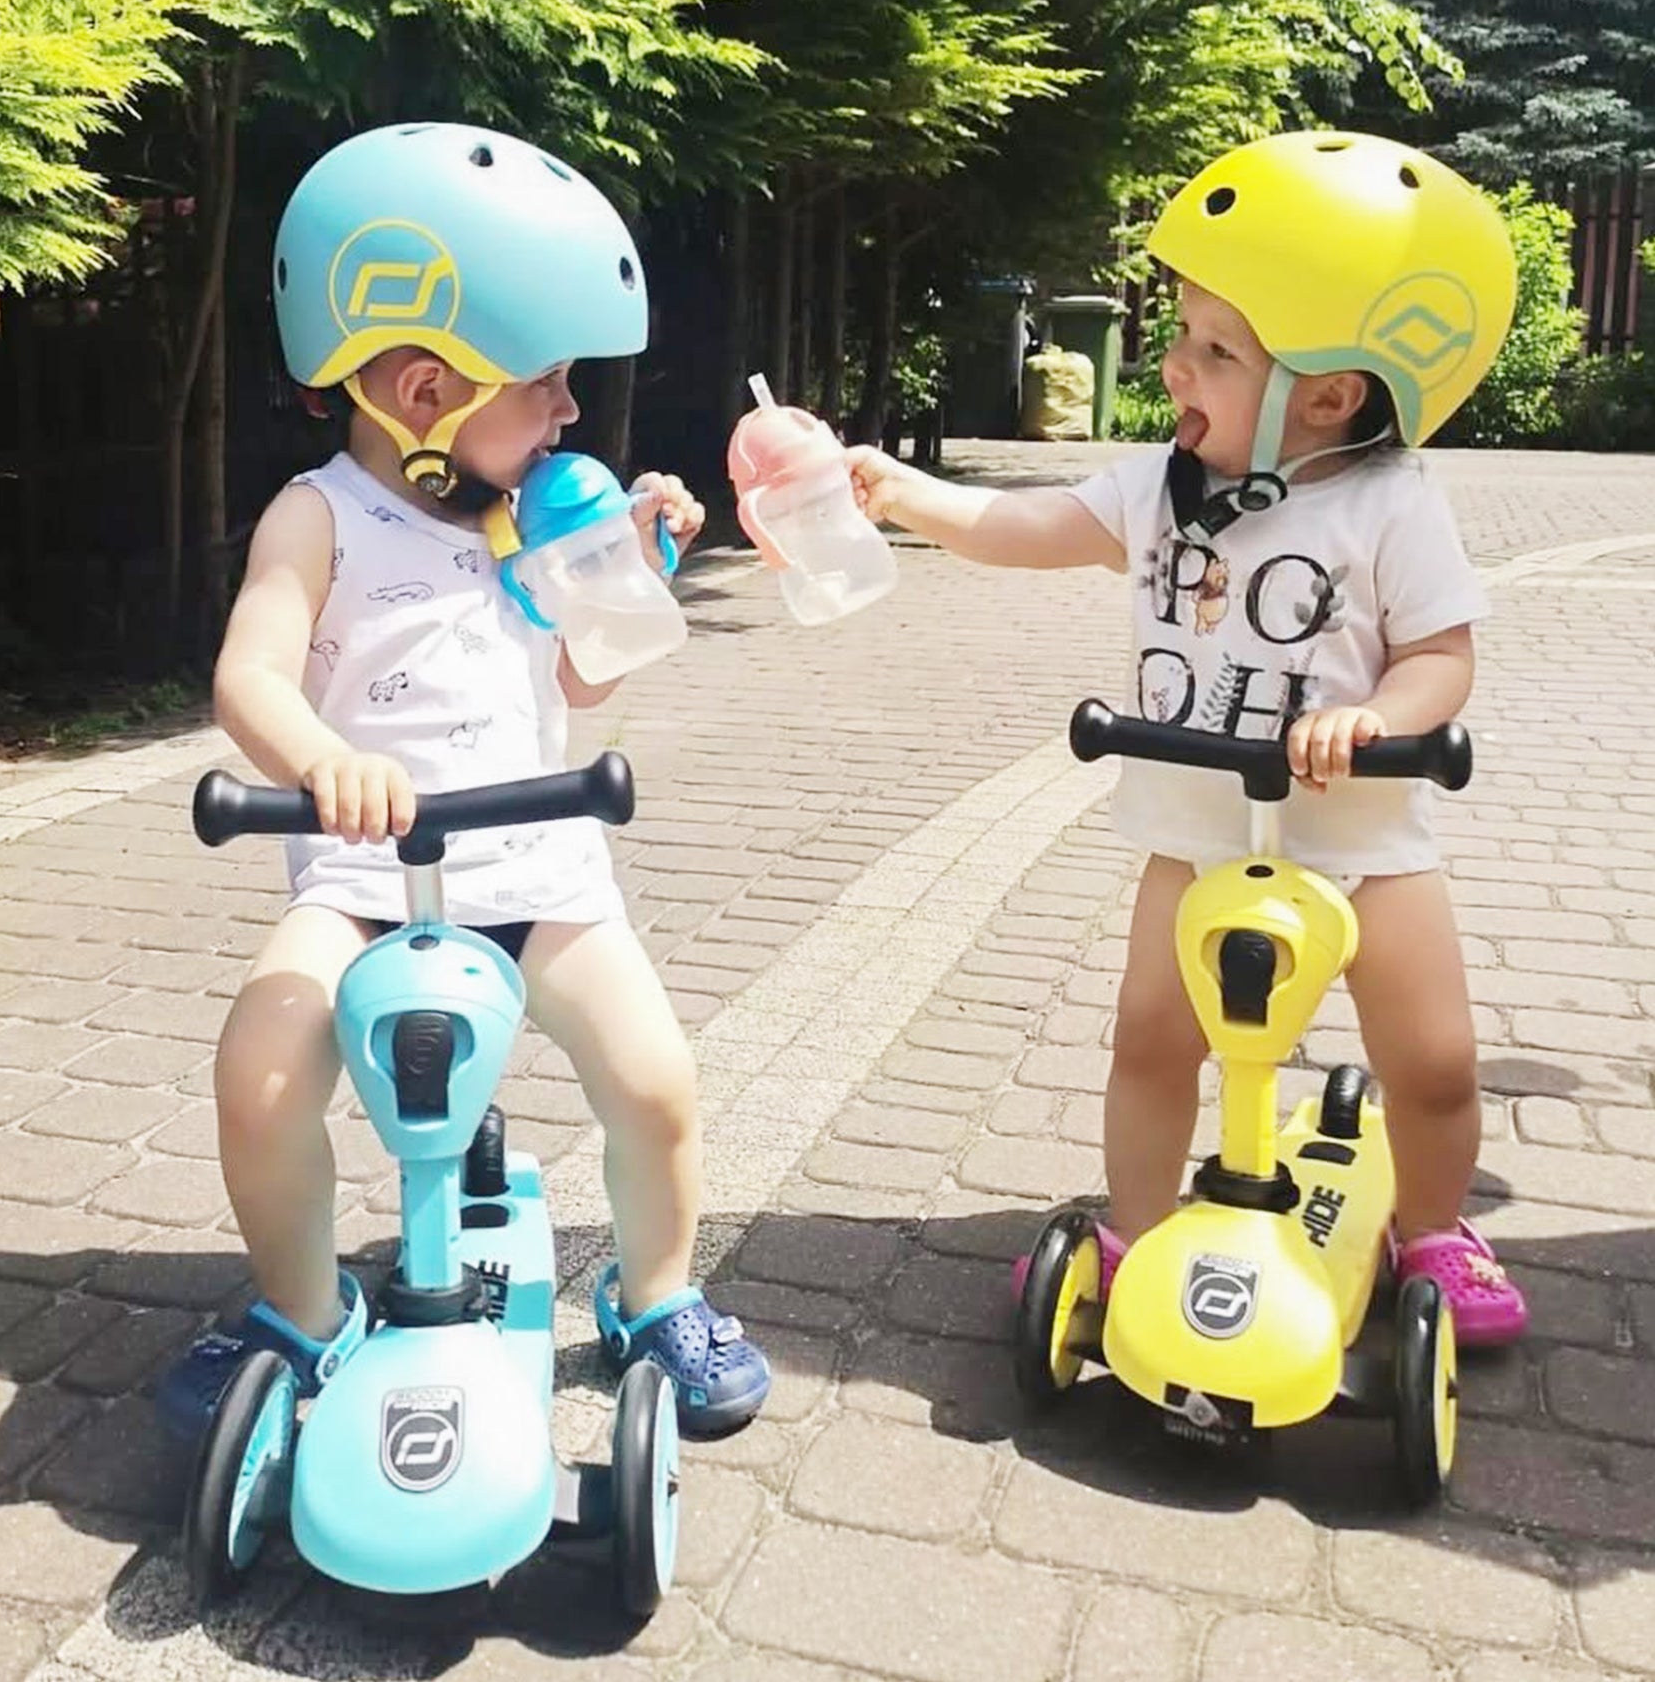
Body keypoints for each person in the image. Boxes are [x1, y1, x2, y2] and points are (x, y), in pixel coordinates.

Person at [846, 131, 1527, 1344]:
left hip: (1365, 843)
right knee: (1153, 1040)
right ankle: (1138, 1228)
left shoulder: (1390, 504)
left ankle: (1432, 1228)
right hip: (1200, 834)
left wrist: (1379, 718)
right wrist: (905, 495)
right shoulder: (1156, 488)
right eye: (1184, 334)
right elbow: (1023, 526)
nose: (1175, 364)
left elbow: (1442, 657)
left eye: (1219, 350)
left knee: (1433, 1059)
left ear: (1330, 395)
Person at [158, 122, 771, 1440]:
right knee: (260, 1071)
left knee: (654, 1079)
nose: (569, 411)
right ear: (426, 390)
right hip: (365, 882)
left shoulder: (534, 515)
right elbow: (249, 679)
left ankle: (657, 1294)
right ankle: (300, 1312)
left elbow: (585, 681)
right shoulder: (318, 516)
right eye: (545, 382)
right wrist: (324, 762)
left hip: (535, 870)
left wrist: (630, 572)